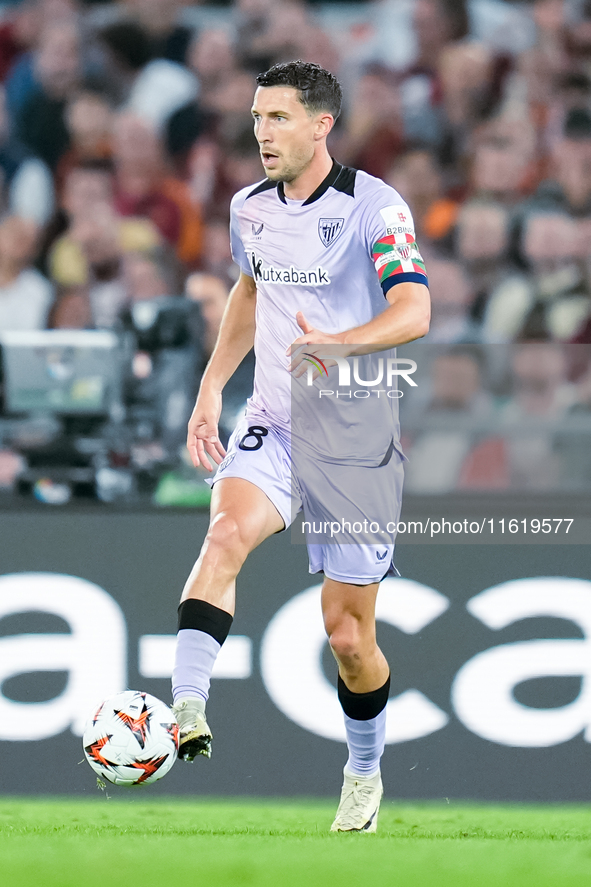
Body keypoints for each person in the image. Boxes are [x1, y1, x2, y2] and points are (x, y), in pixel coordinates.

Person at [171, 61, 430, 833]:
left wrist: (342, 346)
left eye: (278, 118)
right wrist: (212, 386)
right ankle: (185, 708)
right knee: (223, 531)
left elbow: (413, 308)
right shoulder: (248, 207)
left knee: (349, 638)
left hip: (353, 443)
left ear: (321, 125)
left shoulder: (373, 207)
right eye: (256, 119)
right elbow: (251, 292)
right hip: (276, 422)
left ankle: (362, 770)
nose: (261, 134)